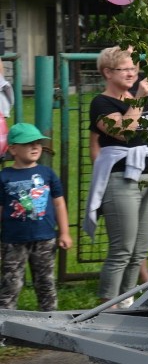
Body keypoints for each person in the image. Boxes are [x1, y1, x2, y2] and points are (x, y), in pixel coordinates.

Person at [84, 46, 148, 307]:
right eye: (125, 69)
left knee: (140, 249)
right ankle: (106, 305)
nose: (132, 73)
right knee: (122, 249)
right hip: (121, 180)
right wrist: (140, 99)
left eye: (134, 68)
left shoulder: (140, 99)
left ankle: (126, 300)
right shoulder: (101, 102)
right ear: (108, 72)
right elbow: (123, 133)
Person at [0, 123, 71, 311]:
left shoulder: (47, 173)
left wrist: (64, 232)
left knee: (46, 284)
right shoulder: (4, 176)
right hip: (13, 241)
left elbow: (59, 203)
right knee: (10, 286)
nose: (35, 147)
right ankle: (5, 330)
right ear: (13, 149)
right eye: (28, 143)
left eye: (38, 143)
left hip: (45, 239)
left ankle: (50, 327)